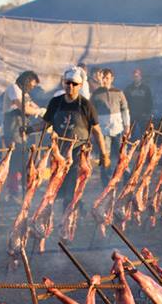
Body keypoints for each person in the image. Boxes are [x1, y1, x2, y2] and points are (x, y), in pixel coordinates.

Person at [43, 66, 108, 203]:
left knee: (72, 180)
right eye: (68, 83)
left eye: (74, 84)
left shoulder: (86, 105)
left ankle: (69, 210)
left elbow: (97, 132)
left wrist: (104, 154)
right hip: (59, 149)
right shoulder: (56, 102)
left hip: (79, 149)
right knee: (57, 181)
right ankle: (70, 205)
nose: (70, 86)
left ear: (80, 86)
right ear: (64, 83)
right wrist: (30, 129)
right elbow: (45, 123)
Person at [90, 68, 130, 186]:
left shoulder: (119, 92)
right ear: (99, 79)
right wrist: (93, 130)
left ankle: (126, 180)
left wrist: (127, 126)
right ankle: (106, 183)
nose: (104, 80)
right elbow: (91, 114)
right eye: (102, 78)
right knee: (105, 156)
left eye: (107, 78)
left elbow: (125, 110)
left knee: (122, 154)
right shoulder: (96, 95)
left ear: (112, 79)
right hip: (103, 131)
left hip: (118, 129)